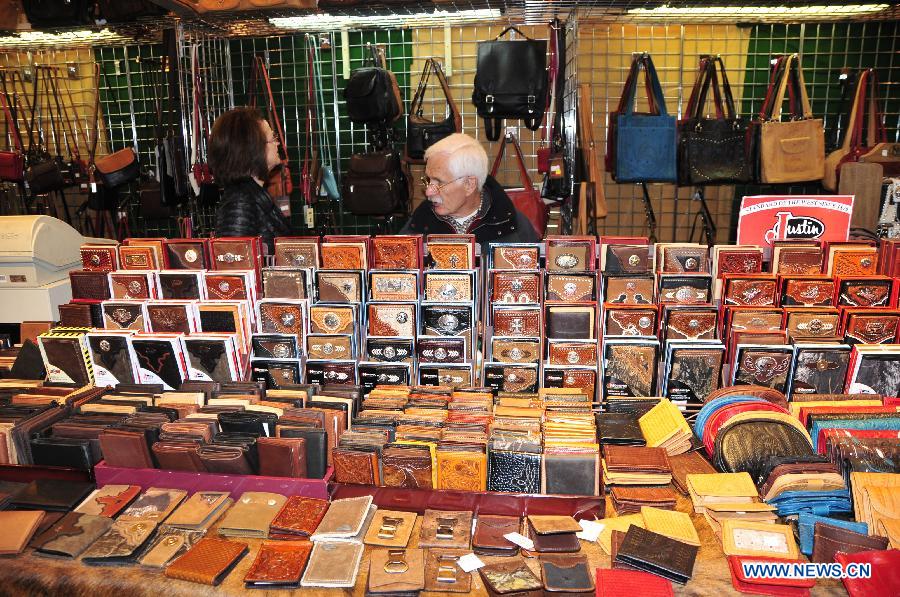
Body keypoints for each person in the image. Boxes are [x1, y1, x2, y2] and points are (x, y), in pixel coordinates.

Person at [399, 133, 541, 251]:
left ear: (469, 184)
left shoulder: (513, 227)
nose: (428, 192)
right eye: (428, 180)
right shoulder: (418, 225)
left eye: (439, 182)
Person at [208, 107, 290, 253]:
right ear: (254, 148)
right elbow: (234, 265)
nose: (277, 144)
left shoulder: (251, 194)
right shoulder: (240, 202)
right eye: (273, 139)